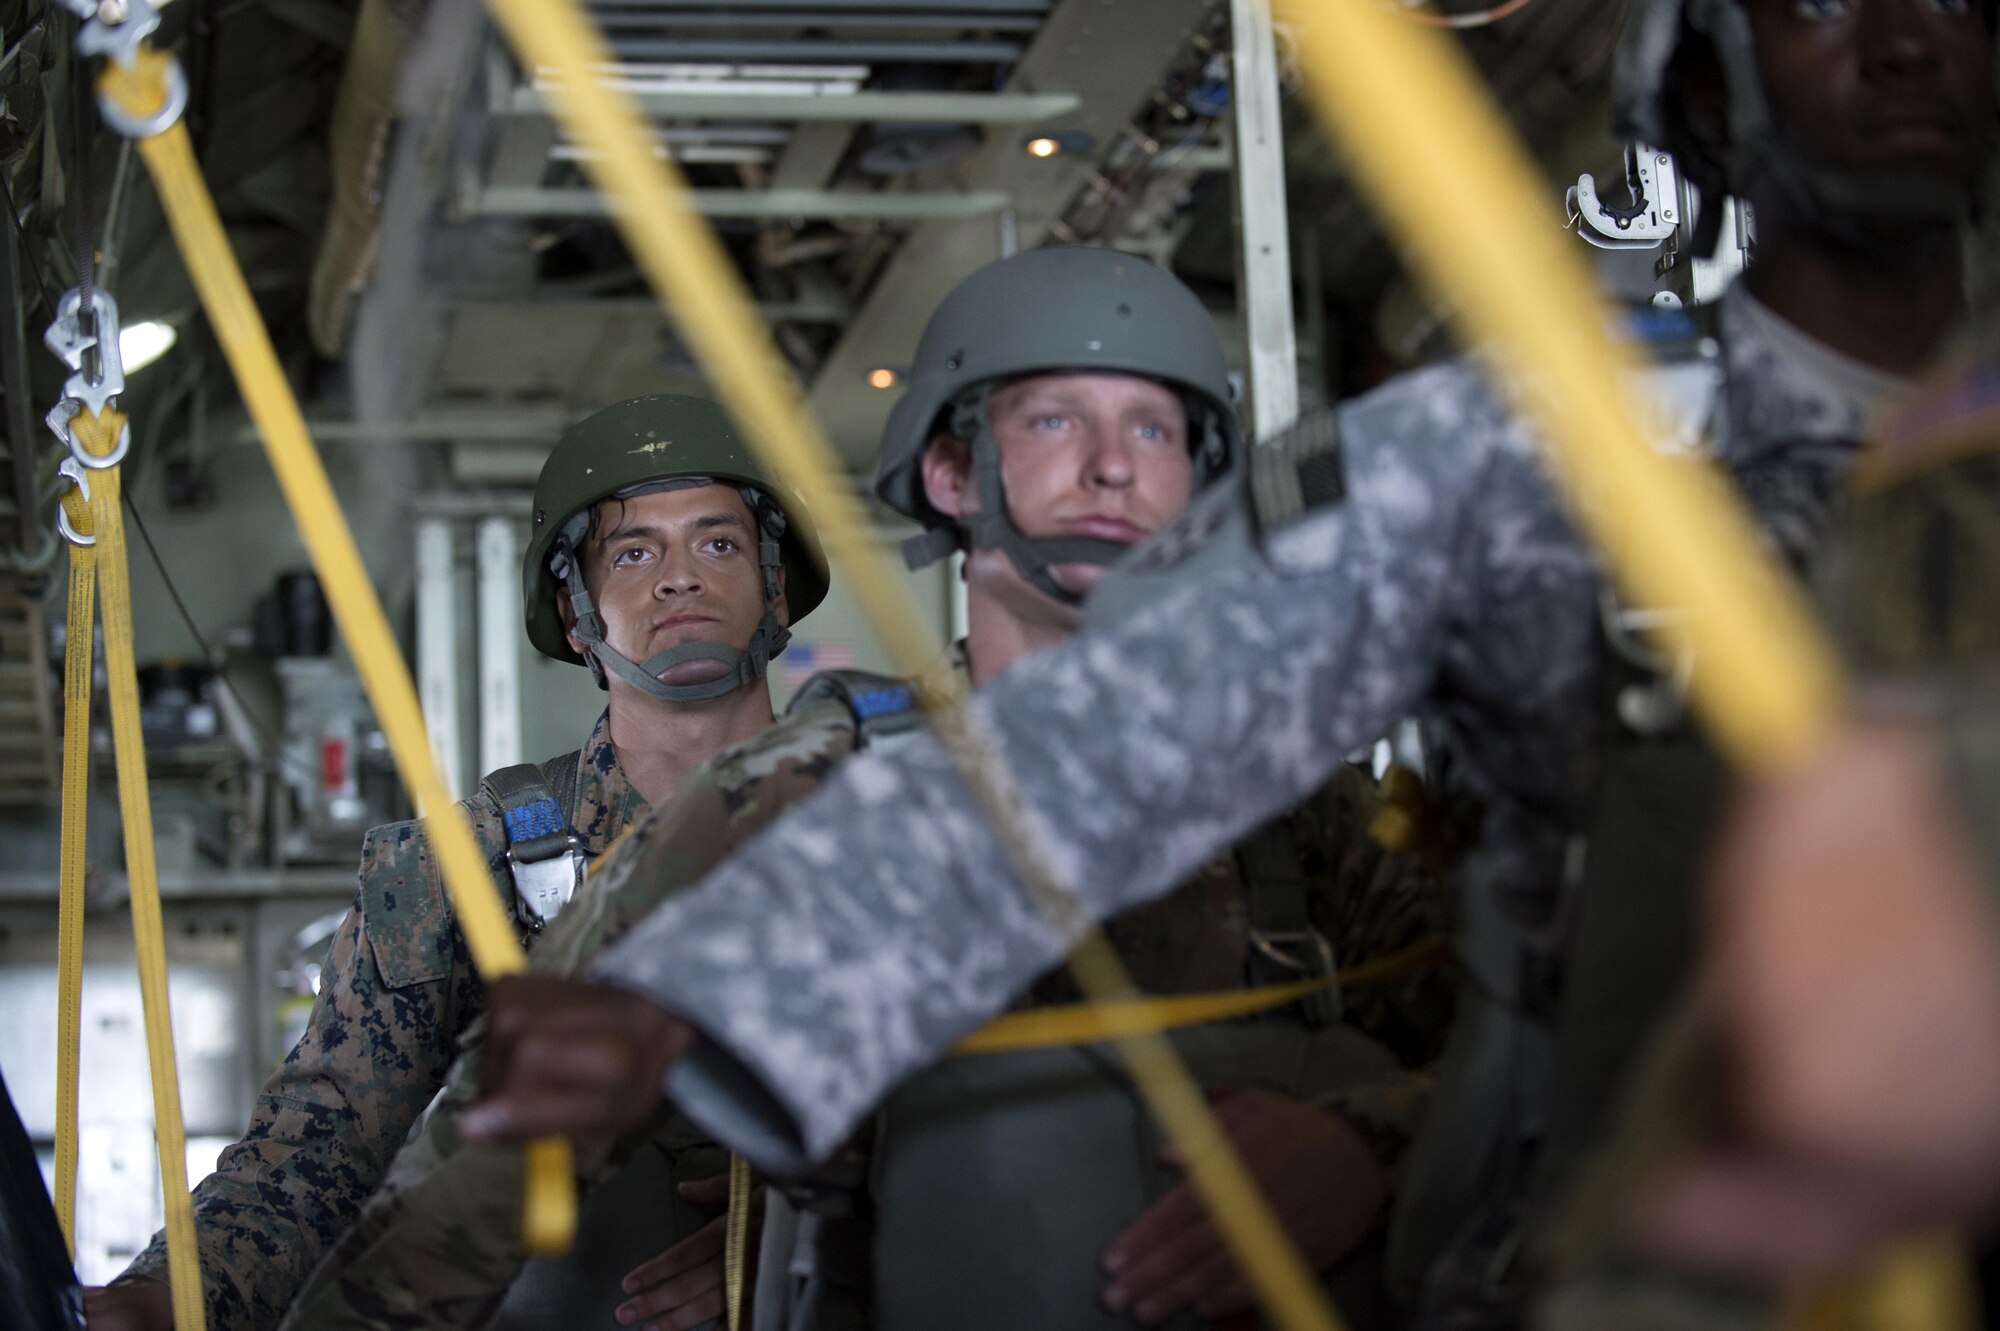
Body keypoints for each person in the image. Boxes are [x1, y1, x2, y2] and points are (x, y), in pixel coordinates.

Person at [449, 1, 1996, 1327]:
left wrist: (1368, 1135)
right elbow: (1104, 758)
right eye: (1818, 5)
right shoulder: (1493, 476)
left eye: (1147, 433)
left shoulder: (1304, 831)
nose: (1910, 42)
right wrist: (701, 1003)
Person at [271, 246, 1454, 1331]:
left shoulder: (1291, 805)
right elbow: (477, 1166)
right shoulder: (803, 793)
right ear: (949, 470)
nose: (1110, 466)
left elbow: (1540, 1067)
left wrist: (1369, 1141)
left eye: (1152, 429)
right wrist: (777, 1223)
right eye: (1054, 419)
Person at [84, 394, 829, 1331]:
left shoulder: (891, 827)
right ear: (575, 608)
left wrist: (796, 1234)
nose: (679, 578)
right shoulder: (465, 867)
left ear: (776, 583)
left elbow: (1007, 1105)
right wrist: (167, 1299)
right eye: (634, 552)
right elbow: (319, 1148)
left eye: (717, 543)